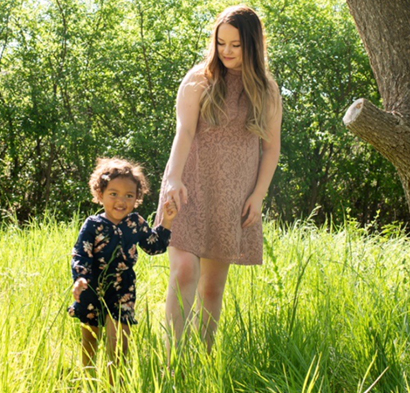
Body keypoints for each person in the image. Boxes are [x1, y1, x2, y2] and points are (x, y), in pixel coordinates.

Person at [156, 5, 282, 352]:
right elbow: (183, 132)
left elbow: (271, 149)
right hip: (189, 185)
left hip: (232, 194)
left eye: (236, 45)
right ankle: (171, 363)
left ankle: (203, 360)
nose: (226, 51)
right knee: (183, 271)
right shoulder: (200, 78)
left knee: (212, 288)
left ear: (253, 45)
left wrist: (259, 194)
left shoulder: (267, 91)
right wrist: (173, 180)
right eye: (221, 42)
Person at [68, 157, 178, 382]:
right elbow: (81, 253)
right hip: (92, 284)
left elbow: (154, 246)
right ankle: (88, 379)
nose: (121, 201)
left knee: (120, 335)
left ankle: (115, 381)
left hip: (123, 285)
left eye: (129, 195)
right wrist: (80, 278)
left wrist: (167, 222)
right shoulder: (93, 225)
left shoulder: (135, 223)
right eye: (113, 194)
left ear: (137, 198)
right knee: (91, 335)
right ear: (100, 195)